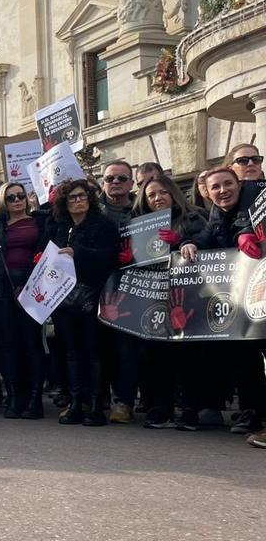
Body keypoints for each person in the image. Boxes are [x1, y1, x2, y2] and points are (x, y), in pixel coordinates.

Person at [179, 168, 266, 436]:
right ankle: (252, 410)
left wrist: (247, 232)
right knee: (244, 355)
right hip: (241, 301)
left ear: (239, 185)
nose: (222, 190)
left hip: (260, 293)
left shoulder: (258, 201)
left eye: (228, 184)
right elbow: (206, 237)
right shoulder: (216, 213)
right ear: (208, 192)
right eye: (215, 187)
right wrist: (189, 243)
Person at [129, 174, 207, 430]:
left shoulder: (193, 217)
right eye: (151, 195)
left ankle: (189, 410)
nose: (157, 198)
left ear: (173, 193)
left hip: (188, 296)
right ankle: (160, 407)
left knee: (187, 356)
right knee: (155, 355)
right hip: (154, 296)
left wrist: (183, 242)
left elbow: (209, 244)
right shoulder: (139, 224)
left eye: (162, 192)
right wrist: (128, 256)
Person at [0, 181, 49, 419]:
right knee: (8, 344)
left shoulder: (40, 221)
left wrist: (29, 280)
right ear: (3, 201)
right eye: (11, 197)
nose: (17, 200)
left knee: (32, 343)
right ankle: (14, 397)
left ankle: (34, 400)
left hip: (33, 285)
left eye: (20, 196)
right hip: (2, 287)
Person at [46, 179, 119, 426]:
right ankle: (76, 402)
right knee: (71, 352)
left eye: (82, 196)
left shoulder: (103, 225)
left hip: (93, 295)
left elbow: (109, 257)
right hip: (63, 297)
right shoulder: (61, 227)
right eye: (72, 198)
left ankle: (96, 405)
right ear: (64, 203)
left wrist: (78, 253)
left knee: (94, 351)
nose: (78, 201)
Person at [94, 161, 140, 423]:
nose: (115, 183)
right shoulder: (92, 210)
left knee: (126, 348)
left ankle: (124, 402)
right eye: (110, 178)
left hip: (131, 288)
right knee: (98, 346)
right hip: (97, 287)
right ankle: (98, 398)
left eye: (122, 178)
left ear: (131, 183)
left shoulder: (141, 210)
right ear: (103, 183)